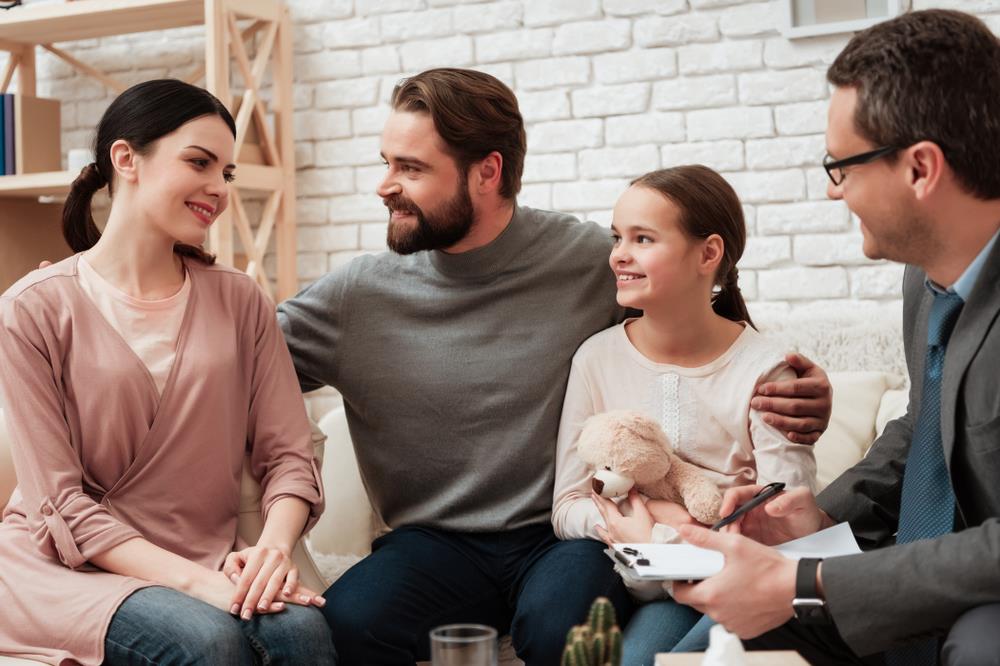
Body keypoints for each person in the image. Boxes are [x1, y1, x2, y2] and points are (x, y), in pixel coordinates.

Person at [275, 67, 833, 665]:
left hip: (560, 536)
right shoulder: (355, 298)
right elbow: (237, 362)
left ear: (487, 172)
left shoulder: (597, 261)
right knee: (349, 622)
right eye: (386, 162)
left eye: (410, 168)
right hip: (430, 543)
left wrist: (796, 387)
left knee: (564, 627)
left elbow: (701, 319)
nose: (385, 185)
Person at [669, 10, 1000, 666]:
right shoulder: (926, 276)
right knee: (721, 637)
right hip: (922, 572)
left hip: (981, 599)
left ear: (919, 169)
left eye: (840, 166)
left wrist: (806, 580)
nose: (830, 191)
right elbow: (925, 428)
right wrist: (815, 518)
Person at [0, 79, 335, 665]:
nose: (218, 188)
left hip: (204, 553)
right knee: (208, 640)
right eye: (199, 162)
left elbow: (289, 456)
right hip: (65, 567)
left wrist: (271, 554)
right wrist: (205, 587)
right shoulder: (32, 308)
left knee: (302, 633)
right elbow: (62, 507)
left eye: (226, 173)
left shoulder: (240, 301)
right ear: (126, 159)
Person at [551, 165, 817, 666]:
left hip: (743, 583)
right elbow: (567, 506)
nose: (618, 255)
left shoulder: (769, 371)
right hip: (657, 590)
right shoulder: (596, 358)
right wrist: (636, 527)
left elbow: (788, 529)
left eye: (643, 238)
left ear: (708, 253)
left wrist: (660, 536)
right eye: (617, 237)